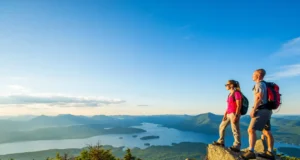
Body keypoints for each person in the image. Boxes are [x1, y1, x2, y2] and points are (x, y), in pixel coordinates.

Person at [241, 69, 275, 160]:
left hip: (261, 110)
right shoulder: (265, 84)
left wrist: (254, 109)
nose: (252, 76)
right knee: (266, 131)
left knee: (251, 130)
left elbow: (259, 97)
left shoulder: (259, 84)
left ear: (259, 75)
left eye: (253, 74)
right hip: (267, 110)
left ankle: (251, 151)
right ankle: (270, 152)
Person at [212, 80, 242, 152]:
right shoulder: (229, 94)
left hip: (234, 113)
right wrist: (225, 114)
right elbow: (228, 106)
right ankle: (221, 141)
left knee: (235, 129)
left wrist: (236, 115)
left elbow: (239, 105)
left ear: (231, 85)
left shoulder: (237, 93)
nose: (225, 86)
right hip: (228, 113)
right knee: (221, 126)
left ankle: (237, 145)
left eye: (226, 84)